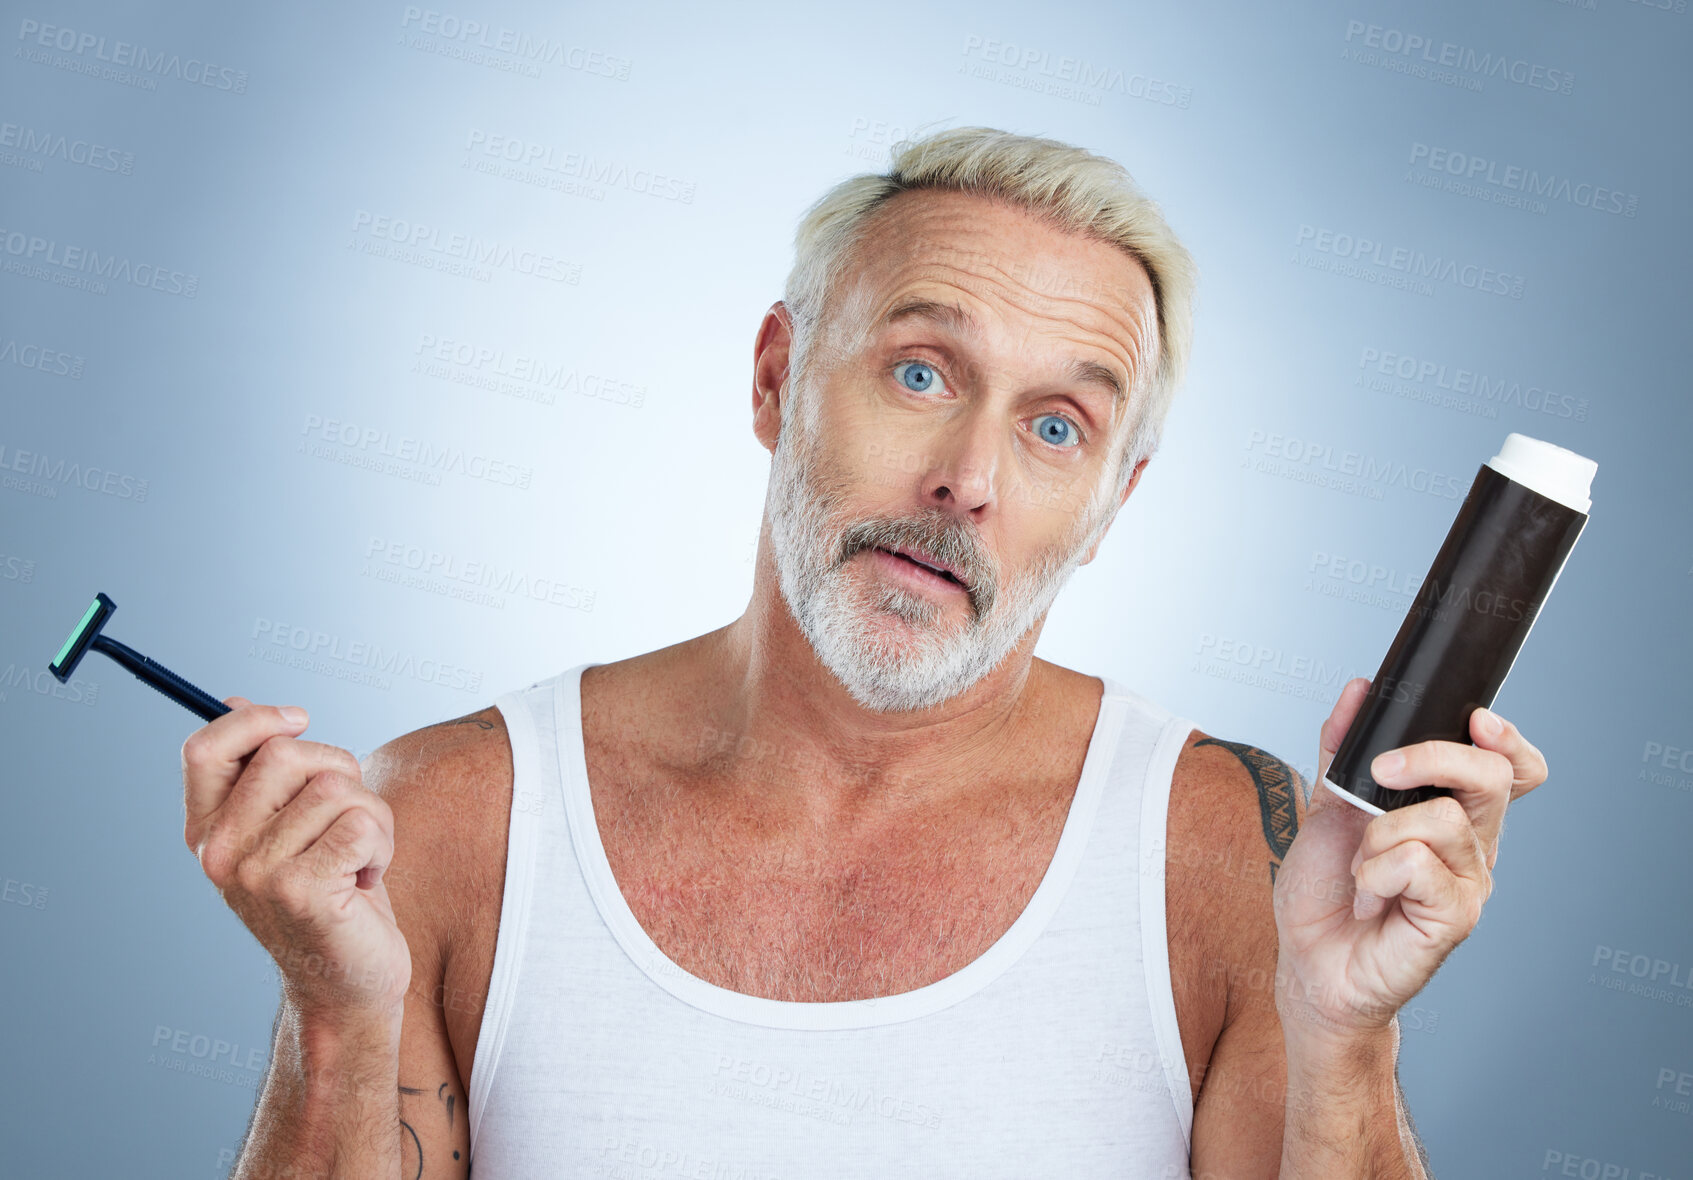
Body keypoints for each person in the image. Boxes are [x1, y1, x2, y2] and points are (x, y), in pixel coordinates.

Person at [186, 126, 1548, 1178]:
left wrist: (1347, 1032)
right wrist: (335, 1012)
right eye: (918, 372)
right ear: (776, 377)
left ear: (1109, 507)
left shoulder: (1224, 856)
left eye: (1055, 427)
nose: (967, 479)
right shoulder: (453, 814)